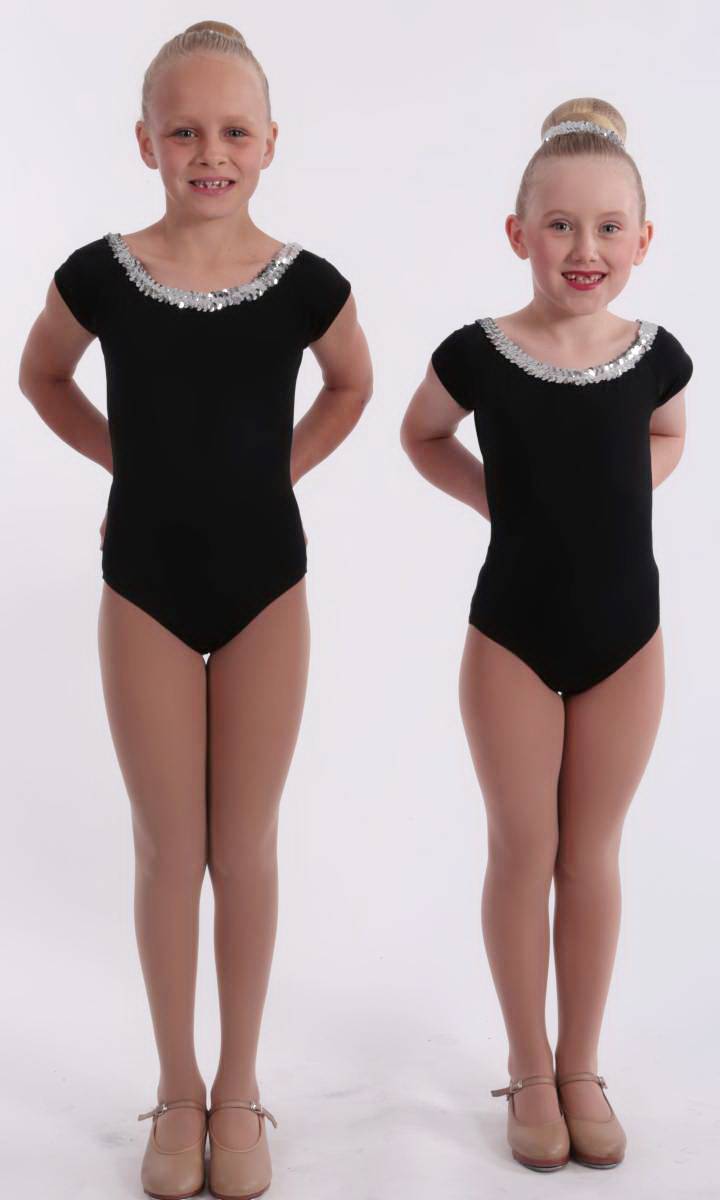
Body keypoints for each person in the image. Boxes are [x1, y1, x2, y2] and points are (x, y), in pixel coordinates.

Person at [19, 20, 372, 1200]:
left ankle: (240, 1086)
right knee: (170, 847)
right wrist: (130, 467)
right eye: (184, 131)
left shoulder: (309, 284)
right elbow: (41, 375)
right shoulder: (99, 274)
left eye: (232, 131)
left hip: (268, 584)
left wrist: (277, 472)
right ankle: (177, 1087)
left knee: (245, 845)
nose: (208, 153)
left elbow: (354, 383)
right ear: (145, 142)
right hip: (145, 586)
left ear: (269, 142)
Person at [400, 97, 693, 1172]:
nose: (584, 248)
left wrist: (615, 495)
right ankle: (527, 1065)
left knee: (593, 852)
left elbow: (666, 435)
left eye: (609, 227)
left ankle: (580, 1065)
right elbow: (422, 436)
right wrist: (506, 506)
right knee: (524, 849)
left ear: (643, 241)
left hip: (628, 639)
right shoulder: (480, 352)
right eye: (560, 225)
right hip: (512, 637)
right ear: (517, 232)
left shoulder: (658, 356)